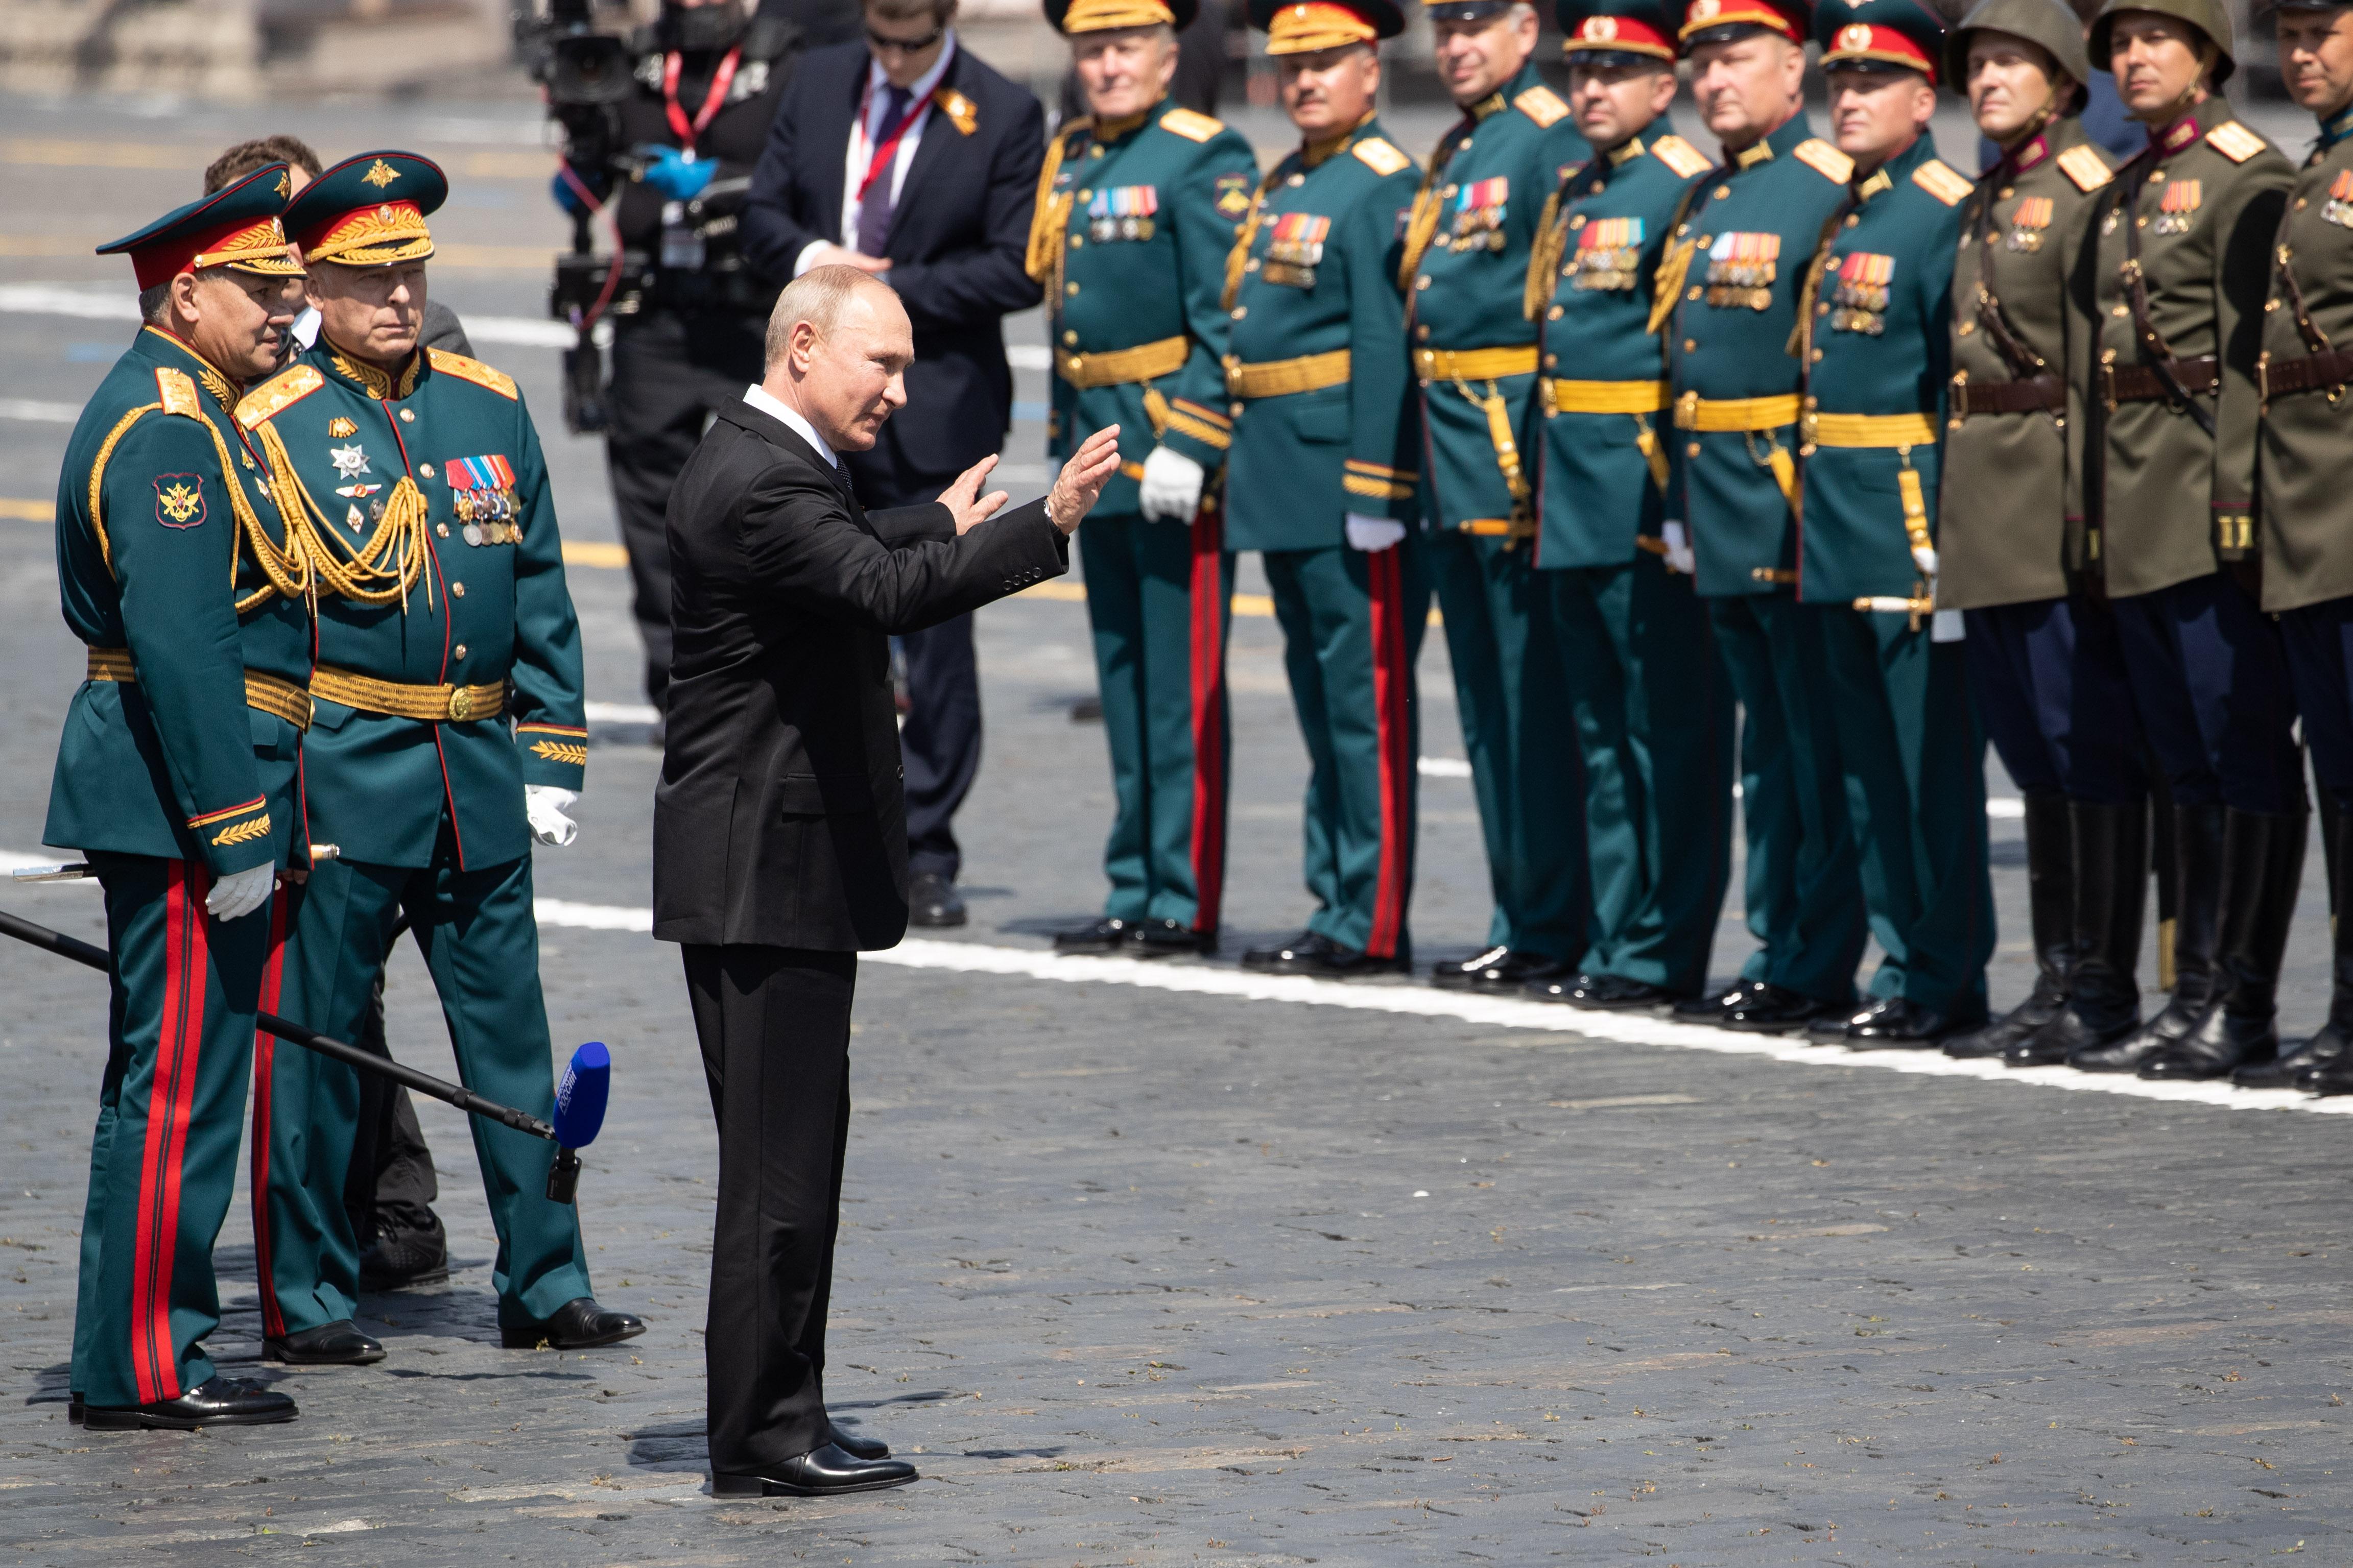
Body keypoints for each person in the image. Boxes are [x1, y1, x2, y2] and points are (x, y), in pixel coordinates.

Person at [653, 267, 1120, 1495]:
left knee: (802, 1162)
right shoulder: (762, 476)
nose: (901, 390)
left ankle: (790, 1406)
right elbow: (876, 587)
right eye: (885, 365)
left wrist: (932, 518)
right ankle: (759, 1437)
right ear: (804, 347)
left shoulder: (771, 458)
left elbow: (853, 551)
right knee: (777, 1176)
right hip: (766, 868)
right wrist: (1047, 525)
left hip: (780, 866)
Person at [236, 151, 641, 1364]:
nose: (399, 298)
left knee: (512, 1039)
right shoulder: (272, 424)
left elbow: (541, 592)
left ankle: (545, 1280)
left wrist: (553, 755)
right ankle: (306, 1295)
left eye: (411, 271)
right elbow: (254, 629)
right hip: (346, 771)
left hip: (475, 771)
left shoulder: (488, 403)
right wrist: (263, 791)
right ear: (315, 279)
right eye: (370, 278)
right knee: (318, 1049)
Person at [54, 165, 312, 1430]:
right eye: (264, 291)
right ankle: (146, 1364)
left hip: (177, 792)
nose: (288, 311)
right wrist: (236, 829)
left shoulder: (201, 407)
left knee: (181, 1083)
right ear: (186, 294)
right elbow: (184, 642)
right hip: (175, 800)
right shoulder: (170, 427)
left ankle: (148, 1349)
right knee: (175, 1091)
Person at [204, 132, 459, 1291]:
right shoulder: (224, 375)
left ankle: (391, 1205)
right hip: (269, 720)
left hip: (381, 728)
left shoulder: (415, 352)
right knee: (303, 980)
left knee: (351, 973)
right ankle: (313, 1228)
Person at [742, 0, 1048, 929]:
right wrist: (815, 264)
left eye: (916, 44)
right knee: (814, 603)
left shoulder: (1002, 109)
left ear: (948, 26)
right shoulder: (823, 78)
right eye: (883, 41)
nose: (897, 60)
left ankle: (929, 843)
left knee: (938, 617)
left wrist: (878, 300)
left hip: (935, 401)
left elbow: (1015, 267)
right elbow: (761, 211)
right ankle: (819, 811)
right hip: (812, 398)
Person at [2070, 0, 2300, 1081]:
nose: (2134, 60)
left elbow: (2254, 356)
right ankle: (2193, 988)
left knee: (2231, 750)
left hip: (2206, 503)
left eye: (2156, 39)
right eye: (2120, 44)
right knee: (2179, 759)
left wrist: (2237, 498)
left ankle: (2237, 999)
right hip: (2136, 500)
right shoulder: (2134, 182)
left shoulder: (2241, 173)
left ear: (2207, 54)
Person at [1927, 0, 2143, 1066]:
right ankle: (2058, 971)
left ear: (2064, 83)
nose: (1989, 79)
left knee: (2081, 747)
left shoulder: (2083, 195)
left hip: (2052, 502)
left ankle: (2100, 985)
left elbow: (2103, 375)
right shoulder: (1993, 192)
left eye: (2011, 61)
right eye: (1979, 64)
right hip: (1987, 506)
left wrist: (2089, 516)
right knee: (2030, 753)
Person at [1033, 0, 1259, 958]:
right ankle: (1135, 883)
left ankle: (1184, 893)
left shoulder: (1204, 156)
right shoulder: (1077, 154)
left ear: (1170, 59)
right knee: (1123, 682)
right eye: (1092, 49)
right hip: (1100, 452)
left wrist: (1198, 439)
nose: (1107, 65)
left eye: (1125, 47)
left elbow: (1229, 317)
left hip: (1170, 458)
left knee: (1181, 689)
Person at [1660, 0, 1869, 1032]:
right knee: (1767, 752)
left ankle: (1814, 957)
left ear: (1797, 69)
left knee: (1809, 747)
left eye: (1735, 58)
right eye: (1701, 63)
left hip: (1792, 504)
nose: (1713, 80)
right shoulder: (1709, 195)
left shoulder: (1828, 190)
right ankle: (1778, 943)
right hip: (1719, 501)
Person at [1789, 0, 1993, 1044]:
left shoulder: (1942, 210)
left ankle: (1947, 973)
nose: (1850, 100)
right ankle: (1903, 959)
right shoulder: (1856, 210)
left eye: (1872, 85)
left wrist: (1953, 549)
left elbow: (1958, 391)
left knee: (1928, 774)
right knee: (1868, 772)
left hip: (1909, 526)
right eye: (1839, 84)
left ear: (1925, 98)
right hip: (1837, 521)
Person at [1521, 0, 1732, 1011]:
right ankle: (1620, 932)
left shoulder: (1684, 188)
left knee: (1669, 734)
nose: (1592, 88)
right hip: (1571, 493)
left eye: (1619, 71)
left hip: (1643, 498)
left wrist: (1684, 504)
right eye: (1582, 71)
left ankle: (1667, 945)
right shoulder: (1577, 189)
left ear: (1665, 87)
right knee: (1602, 736)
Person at [1223, 0, 1429, 978]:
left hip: (1346, 480)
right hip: (1279, 473)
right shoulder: (1292, 177)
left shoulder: (1382, 185)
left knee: (1366, 708)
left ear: (1371, 71)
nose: (1305, 79)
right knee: (1318, 699)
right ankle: (1337, 900)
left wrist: (1378, 489)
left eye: (1328, 61)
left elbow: (1387, 343)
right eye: (1291, 62)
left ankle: (1373, 918)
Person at [1403, 0, 1591, 992]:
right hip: (1452, 456)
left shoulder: (1547, 143)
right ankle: (1521, 912)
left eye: (1478, 23)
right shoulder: (1467, 144)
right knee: (1486, 708)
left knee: (1531, 710)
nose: (1458, 45)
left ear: (1527, 28)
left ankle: (1554, 921)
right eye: (1446, 28)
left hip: (1509, 456)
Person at [552, 0, 799, 714]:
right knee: (650, 506)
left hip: (753, 309)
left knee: (767, 495)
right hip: (654, 312)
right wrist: (578, 160)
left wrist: (721, 177)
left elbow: (812, 172)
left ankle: (771, 669)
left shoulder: (786, 61)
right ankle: (676, 685)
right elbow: (590, 179)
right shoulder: (626, 65)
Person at [2254, 0, 2353, 1093]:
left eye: (2322, 26)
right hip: (2314, 512)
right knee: (2341, 779)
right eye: (2285, 32)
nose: (2300, 52)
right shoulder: (2318, 164)